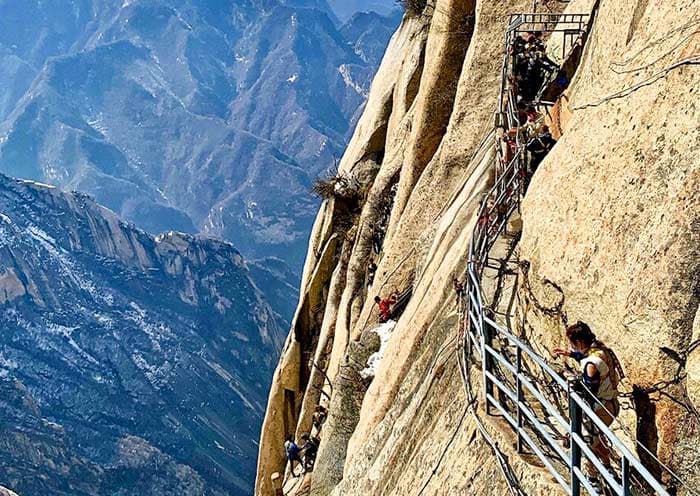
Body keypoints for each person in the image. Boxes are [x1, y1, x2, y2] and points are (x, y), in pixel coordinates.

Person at [554, 322, 624, 488]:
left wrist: (576, 385)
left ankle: (593, 482)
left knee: (586, 443)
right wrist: (570, 354)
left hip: (601, 408)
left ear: (578, 342)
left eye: (572, 344)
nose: (572, 346)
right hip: (610, 403)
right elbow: (588, 357)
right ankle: (608, 470)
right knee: (595, 439)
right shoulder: (601, 349)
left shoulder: (590, 365)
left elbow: (589, 391)